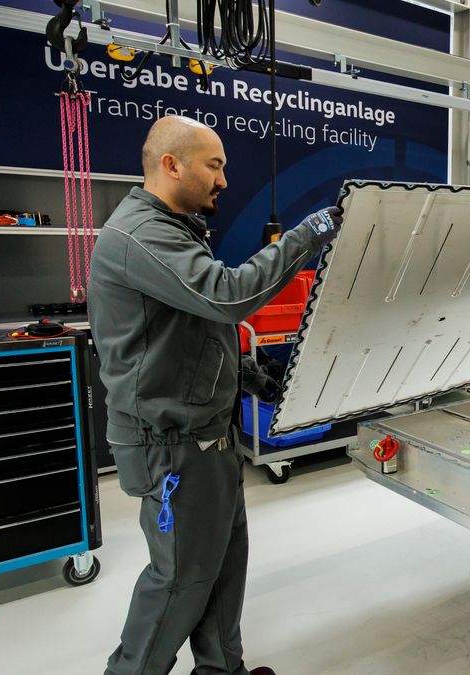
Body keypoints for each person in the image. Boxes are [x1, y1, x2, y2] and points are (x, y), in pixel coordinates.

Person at [88, 115, 342, 675]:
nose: (224, 179)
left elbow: (199, 333)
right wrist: (309, 233)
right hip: (171, 445)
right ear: (171, 164)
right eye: (215, 165)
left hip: (209, 436)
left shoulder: (177, 231)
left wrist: (253, 379)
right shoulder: (139, 234)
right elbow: (226, 298)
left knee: (224, 568)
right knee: (180, 579)